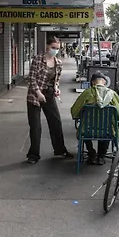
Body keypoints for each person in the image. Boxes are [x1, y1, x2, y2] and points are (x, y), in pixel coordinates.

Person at [26, 36, 73, 164]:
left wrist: (57, 89)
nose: (55, 50)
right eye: (53, 47)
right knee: (35, 126)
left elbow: (56, 80)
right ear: (47, 46)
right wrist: (38, 93)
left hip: (49, 94)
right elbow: (31, 79)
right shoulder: (37, 60)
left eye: (57, 48)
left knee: (56, 122)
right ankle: (33, 155)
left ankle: (60, 150)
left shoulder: (58, 63)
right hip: (35, 95)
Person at [71, 72, 119, 165]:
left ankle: (91, 153)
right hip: (108, 131)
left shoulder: (87, 93)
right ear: (105, 82)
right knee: (108, 128)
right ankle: (101, 156)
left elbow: (74, 111)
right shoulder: (113, 94)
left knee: (83, 130)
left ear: (92, 82)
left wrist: (80, 115)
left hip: (87, 130)